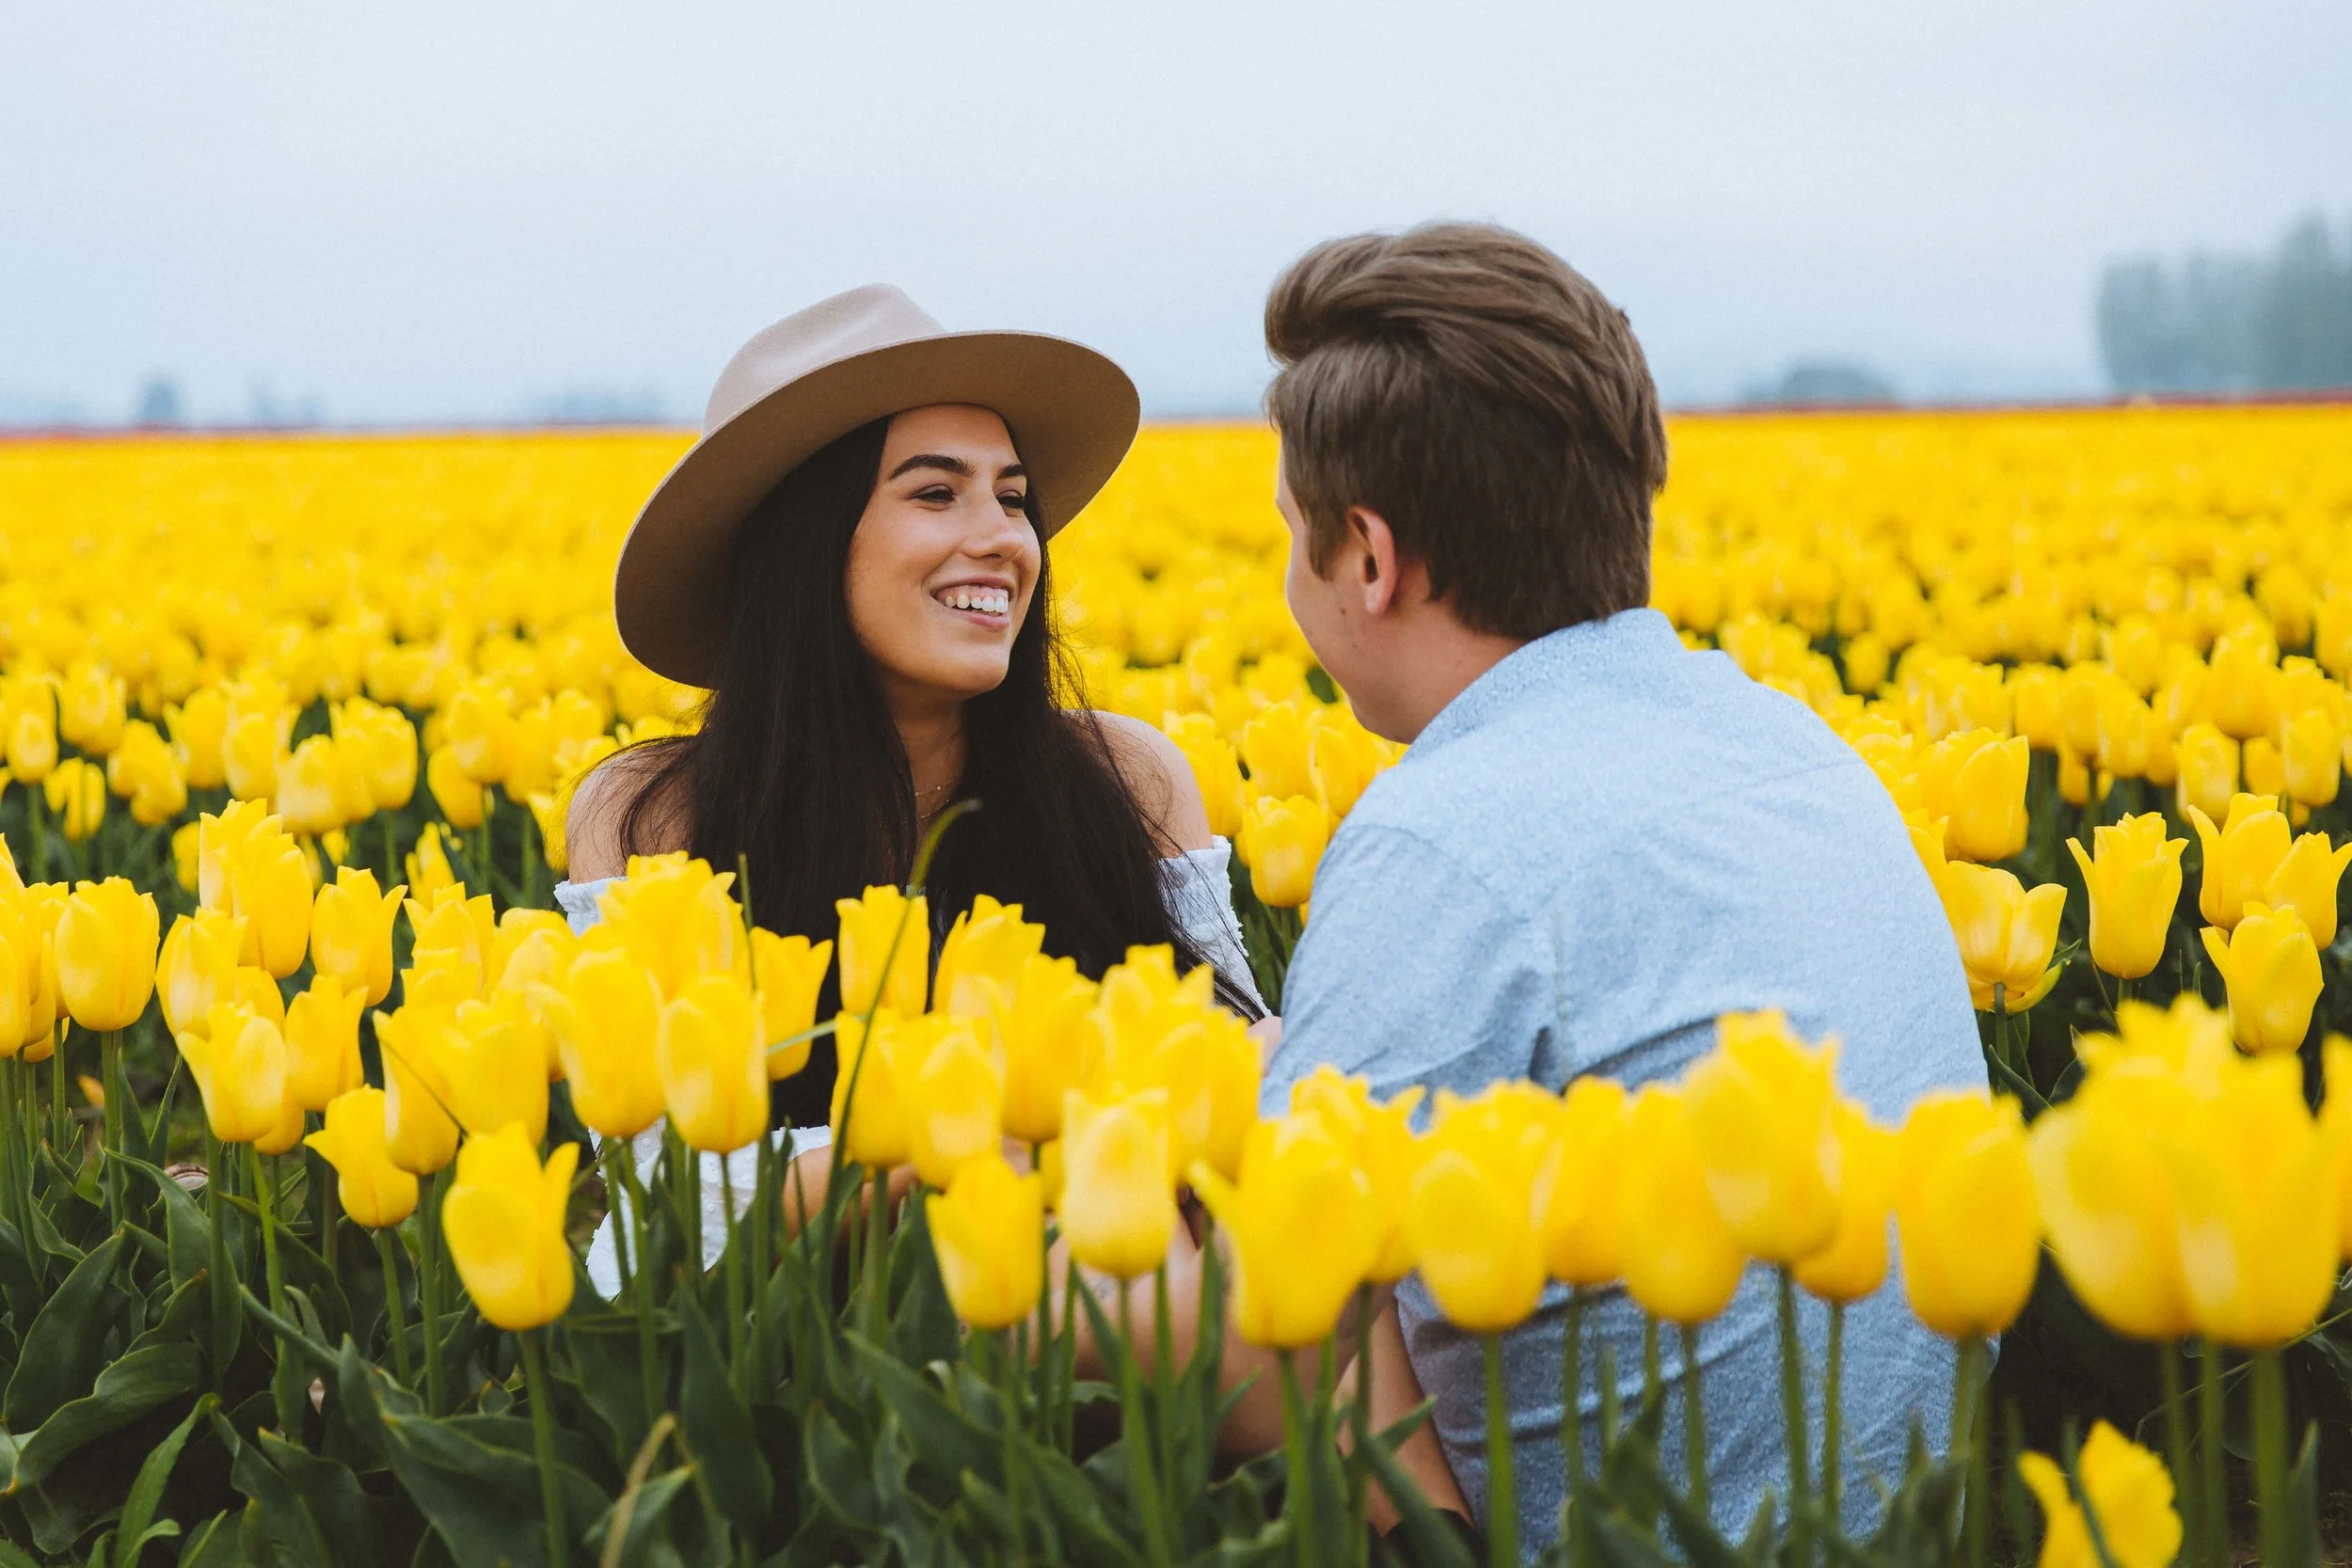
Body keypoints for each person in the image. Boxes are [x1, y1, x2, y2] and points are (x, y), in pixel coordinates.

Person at [1242, 223, 1981, 1552]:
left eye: (1293, 536)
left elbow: (1289, 1261)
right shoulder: (1797, 744)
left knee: (1173, 1270)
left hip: (1629, 1535)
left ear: (1369, 556)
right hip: (1900, 1524)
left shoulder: (1441, 837)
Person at [559, 284, 1265, 1286]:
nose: (1004, 538)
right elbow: (662, 1215)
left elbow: (1238, 1083)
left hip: (1126, 1308)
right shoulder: (655, 813)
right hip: (821, 1353)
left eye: (1012, 497)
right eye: (936, 494)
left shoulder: (1125, 777)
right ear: (809, 539)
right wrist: (978, 1133)